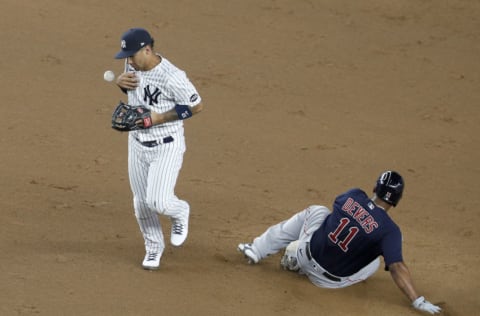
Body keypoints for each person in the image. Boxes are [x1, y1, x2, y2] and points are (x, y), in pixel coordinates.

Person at [238, 171, 442, 314]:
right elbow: (397, 267)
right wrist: (417, 300)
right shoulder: (390, 231)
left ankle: (257, 249)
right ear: (397, 199)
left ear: (375, 188)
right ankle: (301, 259)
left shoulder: (353, 195)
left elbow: (333, 219)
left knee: (319, 211)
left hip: (306, 253)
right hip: (328, 283)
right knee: (376, 261)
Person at [113, 27, 204, 270]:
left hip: (166, 146)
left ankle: (180, 210)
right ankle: (153, 247)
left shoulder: (172, 77)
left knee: (159, 202)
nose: (129, 61)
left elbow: (195, 107)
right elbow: (134, 91)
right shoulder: (133, 66)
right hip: (137, 144)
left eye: (132, 56)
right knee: (141, 203)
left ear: (148, 49)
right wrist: (121, 84)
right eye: (126, 57)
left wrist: (159, 118)